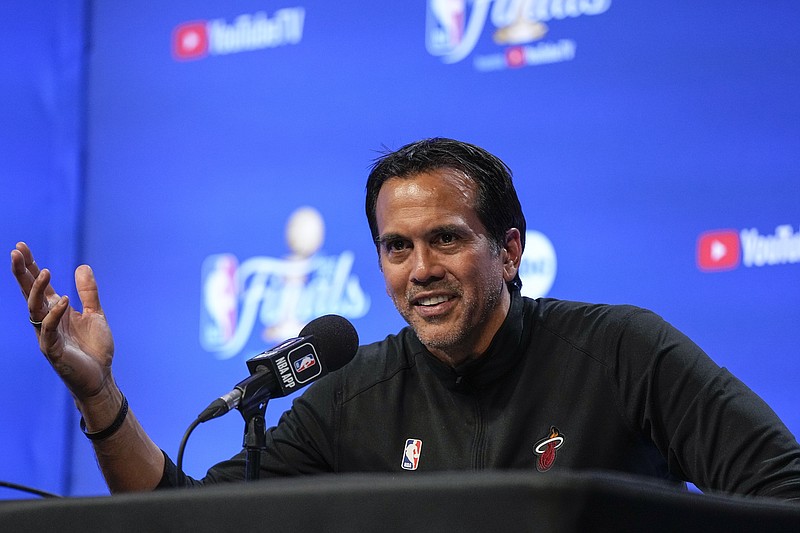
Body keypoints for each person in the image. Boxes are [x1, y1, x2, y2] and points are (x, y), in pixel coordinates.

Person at [10, 138, 800, 500]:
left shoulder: (623, 349)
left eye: (445, 239)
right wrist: (99, 397)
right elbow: (178, 529)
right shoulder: (349, 393)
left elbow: (782, 488)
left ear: (510, 249)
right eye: (396, 247)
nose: (419, 268)